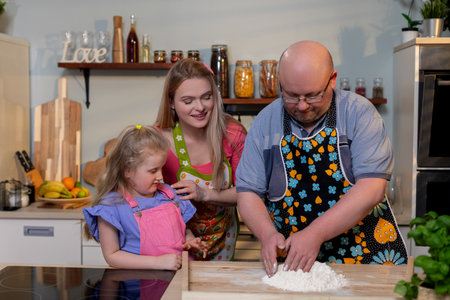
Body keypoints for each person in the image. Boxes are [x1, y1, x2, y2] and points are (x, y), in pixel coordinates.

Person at [236, 41, 408, 276]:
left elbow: (372, 189)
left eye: (313, 95)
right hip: (295, 266)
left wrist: (315, 233)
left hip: (366, 258)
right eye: (291, 95)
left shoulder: (360, 113)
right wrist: (266, 234)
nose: (303, 106)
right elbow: (248, 193)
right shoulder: (265, 123)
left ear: (333, 79)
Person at [154, 59, 247, 261]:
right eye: (188, 101)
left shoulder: (233, 134)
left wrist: (204, 194)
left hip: (223, 241)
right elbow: (144, 197)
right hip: (175, 243)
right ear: (171, 102)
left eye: (206, 97)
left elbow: (248, 193)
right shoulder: (157, 140)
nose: (200, 107)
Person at [84, 125, 206, 270]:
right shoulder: (111, 207)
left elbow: (183, 230)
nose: (160, 177)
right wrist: (158, 263)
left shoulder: (169, 194)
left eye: (161, 168)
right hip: (140, 286)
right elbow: (112, 256)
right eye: (153, 170)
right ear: (127, 170)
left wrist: (190, 241)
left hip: (180, 279)